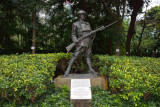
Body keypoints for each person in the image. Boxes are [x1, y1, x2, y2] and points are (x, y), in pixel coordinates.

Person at [64, 10, 98, 77]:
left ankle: (90, 69)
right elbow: (73, 34)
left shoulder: (87, 24)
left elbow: (91, 33)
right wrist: (75, 40)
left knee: (88, 56)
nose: (84, 16)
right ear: (79, 15)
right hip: (81, 42)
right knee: (75, 55)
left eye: (85, 15)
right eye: (83, 15)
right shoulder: (75, 24)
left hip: (88, 42)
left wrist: (94, 33)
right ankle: (68, 70)